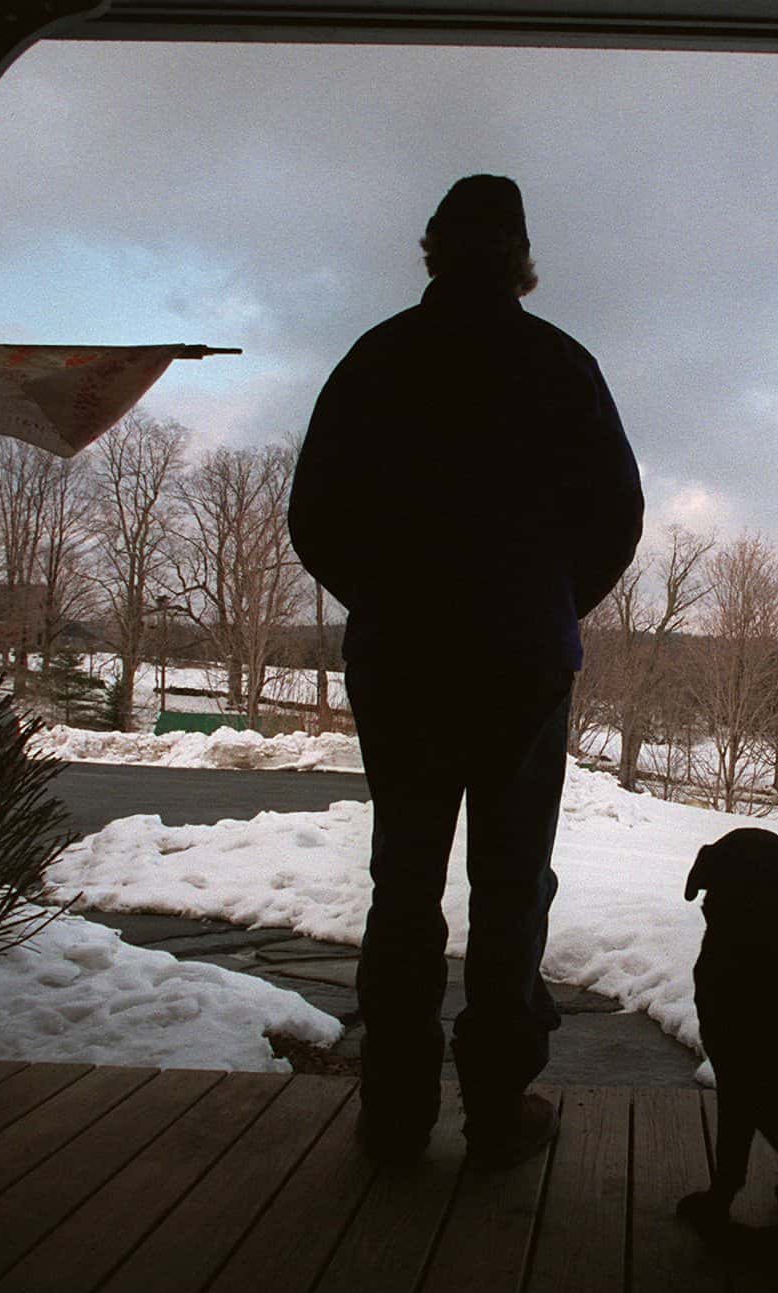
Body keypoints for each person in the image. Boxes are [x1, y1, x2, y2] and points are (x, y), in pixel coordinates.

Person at [289, 175, 644, 1170]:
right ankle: (495, 1108)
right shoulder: (559, 364)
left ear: (433, 250)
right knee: (510, 879)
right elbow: (615, 516)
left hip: (399, 657)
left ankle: (393, 1111)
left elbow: (313, 513)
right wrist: (542, 603)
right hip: (520, 662)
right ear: (519, 259)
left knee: (401, 877)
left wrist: (386, 594)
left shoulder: (378, 359)